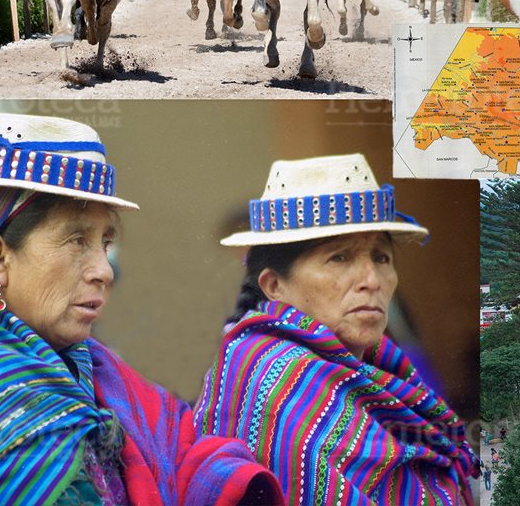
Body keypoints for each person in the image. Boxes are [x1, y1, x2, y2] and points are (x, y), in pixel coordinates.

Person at [0, 113, 283, 505]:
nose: (103, 271)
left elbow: (185, 448)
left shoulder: (94, 369)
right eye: (77, 239)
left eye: (105, 241)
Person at [194, 153, 477, 504]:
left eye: (381, 257)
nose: (371, 280)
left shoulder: (387, 372)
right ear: (274, 285)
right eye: (339, 258)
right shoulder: (273, 381)